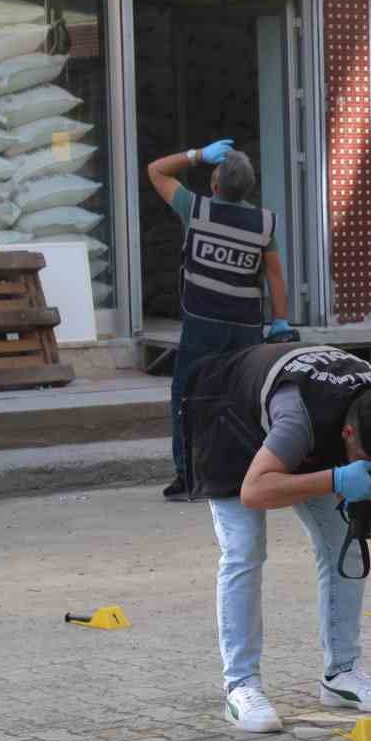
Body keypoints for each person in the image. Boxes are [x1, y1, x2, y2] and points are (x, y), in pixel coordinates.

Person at [181, 342, 371, 732]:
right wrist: (337, 479)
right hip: (229, 418)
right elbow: (254, 491)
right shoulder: (300, 419)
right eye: (365, 460)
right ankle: (240, 687)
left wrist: (355, 490)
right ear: (347, 433)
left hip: (295, 423)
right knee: (245, 551)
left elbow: (360, 454)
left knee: (348, 542)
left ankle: (342, 674)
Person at [147, 139, 291, 502]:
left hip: (202, 324)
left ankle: (188, 476)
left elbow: (155, 170)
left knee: (188, 397)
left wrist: (195, 155)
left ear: (214, 185)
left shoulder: (197, 210)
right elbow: (274, 275)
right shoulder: (263, 222)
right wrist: (281, 321)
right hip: (246, 328)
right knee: (244, 399)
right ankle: (247, 473)